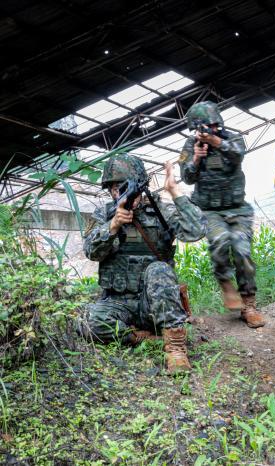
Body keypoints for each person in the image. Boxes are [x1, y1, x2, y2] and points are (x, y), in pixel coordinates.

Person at [83, 153, 206, 373]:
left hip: (153, 304)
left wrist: (175, 192)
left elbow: (196, 230)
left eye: (123, 186)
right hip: (118, 303)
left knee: (159, 269)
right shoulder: (104, 213)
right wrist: (112, 227)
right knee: (89, 321)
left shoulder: (160, 212)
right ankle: (140, 338)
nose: (118, 193)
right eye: (113, 188)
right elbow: (91, 252)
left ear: (140, 186)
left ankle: (175, 348)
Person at [178, 101, 264, 328]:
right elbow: (187, 178)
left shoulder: (232, 139)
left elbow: (238, 155)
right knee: (218, 241)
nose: (210, 130)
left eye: (214, 125)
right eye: (205, 127)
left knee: (242, 250)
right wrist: (196, 158)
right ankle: (226, 282)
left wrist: (216, 142)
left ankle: (249, 304)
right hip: (210, 210)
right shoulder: (190, 145)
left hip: (237, 208)